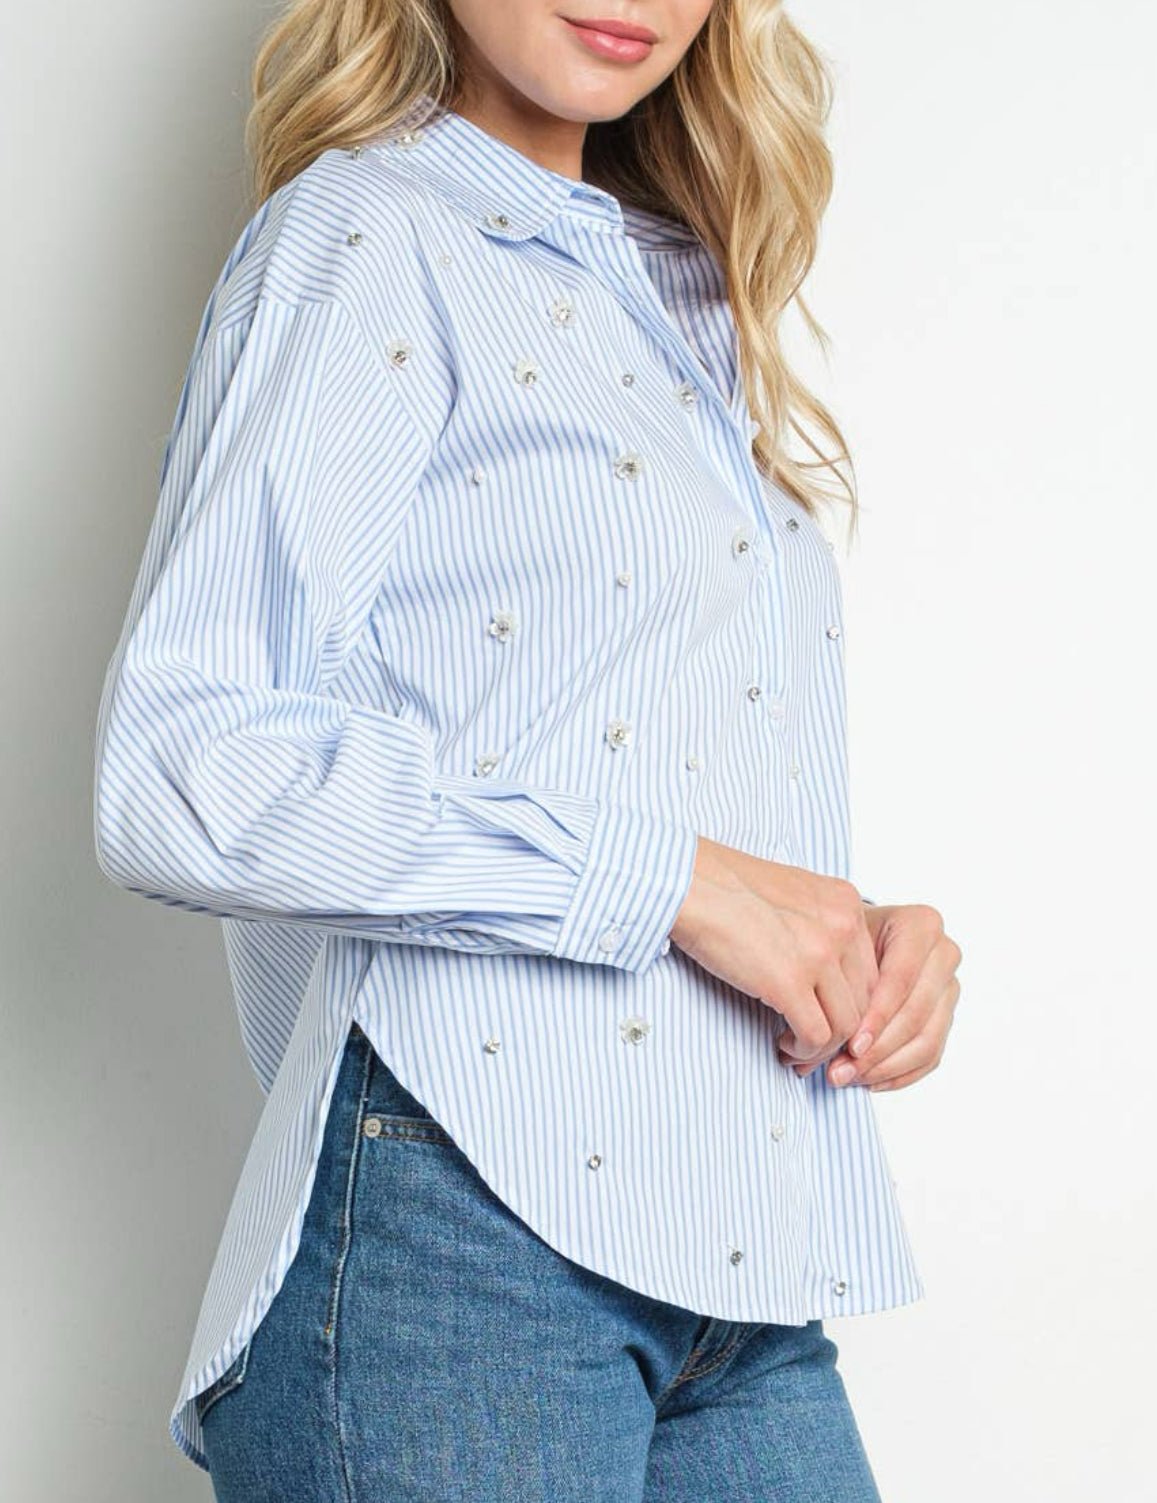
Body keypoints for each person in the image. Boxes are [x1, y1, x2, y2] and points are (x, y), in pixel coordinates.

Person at [92, 1, 963, 1497]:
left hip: (742, 1257)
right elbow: (184, 766)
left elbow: (629, 748)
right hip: (459, 1235)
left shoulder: (682, 288)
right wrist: (678, 884)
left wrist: (846, 942)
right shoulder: (368, 236)